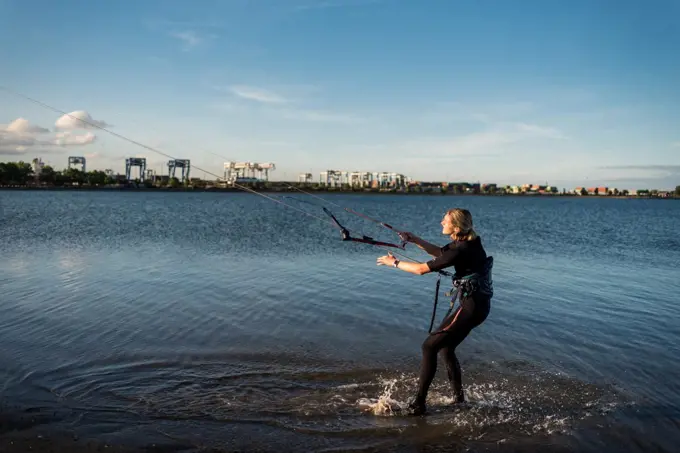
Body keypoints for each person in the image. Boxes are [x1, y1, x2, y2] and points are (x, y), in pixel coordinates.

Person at [376, 208, 493, 416]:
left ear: (456, 227)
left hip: (471, 308)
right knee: (446, 349)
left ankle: (418, 404)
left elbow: (421, 269)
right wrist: (415, 239)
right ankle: (459, 400)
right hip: (476, 306)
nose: (441, 223)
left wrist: (393, 262)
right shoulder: (468, 242)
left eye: (444, 221)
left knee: (429, 346)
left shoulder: (461, 249)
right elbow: (441, 253)